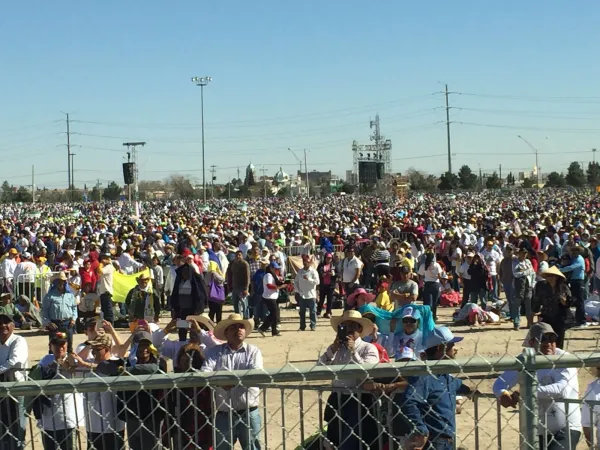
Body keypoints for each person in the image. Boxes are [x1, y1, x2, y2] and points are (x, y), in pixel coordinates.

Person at [494, 323, 581, 450]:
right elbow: (500, 382)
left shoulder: (564, 359)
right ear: (531, 342)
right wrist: (502, 393)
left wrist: (526, 391)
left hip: (566, 428)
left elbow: (562, 389)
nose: (548, 343)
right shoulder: (526, 360)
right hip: (536, 431)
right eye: (542, 339)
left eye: (552, 339)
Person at [399, 326, 476, 450]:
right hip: (434, 442)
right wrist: (421, 430)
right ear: (441, 347)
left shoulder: (444, 376)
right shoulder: (424, 376)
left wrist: (470, 390)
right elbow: (409, 402)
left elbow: (457, 384)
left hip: (446, 441)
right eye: (451, 345)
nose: (455, 349)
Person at [318, 310, 379, 449]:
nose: (349, 330)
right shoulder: (336, 349)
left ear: (360, 329)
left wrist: (353, 352)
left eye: (352, 326)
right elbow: (319, 369)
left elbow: (367, 372)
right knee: (333, 439)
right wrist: (332, 349)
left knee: (351, 441)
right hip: (336, 397)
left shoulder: (368, 348)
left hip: (357, 399)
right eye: (345, 326)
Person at [201, 314, 262, 450]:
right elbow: (205, 372)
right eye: (233, 327)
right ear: (226, 333)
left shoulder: (254, 351)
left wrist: (222, 380)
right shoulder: (214, 352)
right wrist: (220, 383)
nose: (238, 330)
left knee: (253, 448)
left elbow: (256, 374)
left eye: (241, 326)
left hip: (249, 412)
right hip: (224, 413)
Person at [117, 331, 166, 450]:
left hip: (152, 415)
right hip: (132, 414)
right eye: (140, 345)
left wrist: (128, 370)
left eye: (146, 345)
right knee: (135, 446)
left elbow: (155, 369)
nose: (144, 349)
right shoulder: (126, 362)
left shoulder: (159, 363)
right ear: (134, 346)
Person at [37, 332, 81, 450]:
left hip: (67, 416)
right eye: (56, 344)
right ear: (50, 346)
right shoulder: (46, 359)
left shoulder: (71, 358)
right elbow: (36, 376)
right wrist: (53, 364)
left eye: (63, 344)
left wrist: (65, 365)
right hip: (47, 416)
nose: (60, 348)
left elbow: (75, 371)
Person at [166, 343, 212, 449]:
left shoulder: (203, 379)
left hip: (202, 428)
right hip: (180, 428)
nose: (189, 361)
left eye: (192, 359)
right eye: (185, 359)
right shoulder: (174, 379)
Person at [0, 312, 28, 450]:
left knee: (17, 427)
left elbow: (14, 361)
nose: (3, 325)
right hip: (1, 391)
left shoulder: (19, 340)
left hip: (16, 390)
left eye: (6, 322)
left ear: (13, 325)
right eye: (0, 323)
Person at [171, 262, 209, 341]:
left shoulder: (195, 282)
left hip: (193, 310)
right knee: (182, 329)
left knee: (194, 329)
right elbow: (174, 295)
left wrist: (198, 310)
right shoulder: (179, 281)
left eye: (186, 272)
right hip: (182, 310)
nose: (184, 274)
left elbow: (201, 296)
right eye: (183, 272)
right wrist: (174, 308)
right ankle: (182, 342)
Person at [41, 272, 78, 352]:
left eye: (62, 281)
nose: (61, 283)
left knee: (69, 346)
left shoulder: (70, 295)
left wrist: (73, 319)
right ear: (55, 283)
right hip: (54, 324)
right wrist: (48, 322)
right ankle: (52, 362)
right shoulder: (50, 296)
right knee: (53, 346)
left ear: (65, 282)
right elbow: (44, 311)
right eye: (58, 281)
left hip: (68, 323)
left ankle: (68, 362)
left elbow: (74, 308)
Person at [560, 246, 587, 327]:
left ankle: (582, 321)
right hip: (573, 282)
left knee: (580, 301)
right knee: (575, 301)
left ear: (579, 251)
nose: (573, 252)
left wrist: (559, 270)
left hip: (579, 282)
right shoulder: (573, 258)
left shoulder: (579, 259)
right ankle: (577, 319)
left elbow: (571, 267)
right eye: (572, 250)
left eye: (575, 250)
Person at [257, 262, 286, 337]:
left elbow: (277, 282)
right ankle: (263, 328)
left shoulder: (274, 275)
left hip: (273, 296)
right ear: (271, 268)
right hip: (268, 297)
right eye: (275, 268)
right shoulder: (268, 275)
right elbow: (269, 286)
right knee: (274, 314)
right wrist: (279, 287)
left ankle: (274, 331)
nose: (277, 270)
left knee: (274, 314)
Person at [294, 254, 319, 331]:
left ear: (309, 263)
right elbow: (296, 282)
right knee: (302, 312)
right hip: (302, 295)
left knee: (313, 312)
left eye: (307, 262)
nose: (305, 263)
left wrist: (309, 279)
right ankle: (302, 326)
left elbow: (317, 282)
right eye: (304, 262)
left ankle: (313, 325)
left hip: (311, 295)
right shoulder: (300, 272)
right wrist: (298, 291)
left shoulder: (313, 271)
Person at [513, 247, 536, 330]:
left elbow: (533, 273)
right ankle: (516, 323)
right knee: (517, 304)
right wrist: (526, 272)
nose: (524, 255)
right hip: (519, 285)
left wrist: (533, 283)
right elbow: (516, 273)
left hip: (528, 284)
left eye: (525, 253)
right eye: (523, 253)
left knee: (528, 305)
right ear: (519, 253)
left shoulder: (528, 262)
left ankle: (529, 323)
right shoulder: (515, 262)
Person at [418, 253, 442, 320]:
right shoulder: (437, 265)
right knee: (435, 301)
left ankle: (426, 316)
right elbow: (440, 276)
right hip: (435, 284)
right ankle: (434, 316)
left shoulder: (423, 265)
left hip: (427, 284)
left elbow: (421, 275)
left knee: (427, 301)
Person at [228, 250, 251, 319]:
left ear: (242, 256)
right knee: (235, 303)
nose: (238, 256)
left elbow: (248, 277)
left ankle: (246, 318)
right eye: (237, 255)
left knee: (244, 304)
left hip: (242, 287)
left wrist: (246, 288)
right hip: (235, 287)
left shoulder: (245, 264)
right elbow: (230, 275)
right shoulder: (233, 264)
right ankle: (238, 318)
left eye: (239, 255)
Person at [96, 253, 116, 325]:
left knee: (108, 311)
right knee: (104, 311)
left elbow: (100, 271)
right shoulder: (106, 267)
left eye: (105, 258)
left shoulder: (109, 267)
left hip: (107, 291)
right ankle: (107, 326)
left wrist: (101, 263)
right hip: (103, 292)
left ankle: (110, 325)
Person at [316, 252, 336, 318]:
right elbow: (317, 272)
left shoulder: (334, 265)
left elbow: (339, 274)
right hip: (323, 285)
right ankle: (318, 312)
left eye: (330, 258)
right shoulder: (321, 265)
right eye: (327, 258)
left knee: (330, 300)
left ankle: (328, 312)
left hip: (331, 285)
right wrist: (322, 274)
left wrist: (334, 274)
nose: (329, 259)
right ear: (325, 258)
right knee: (321, 299)